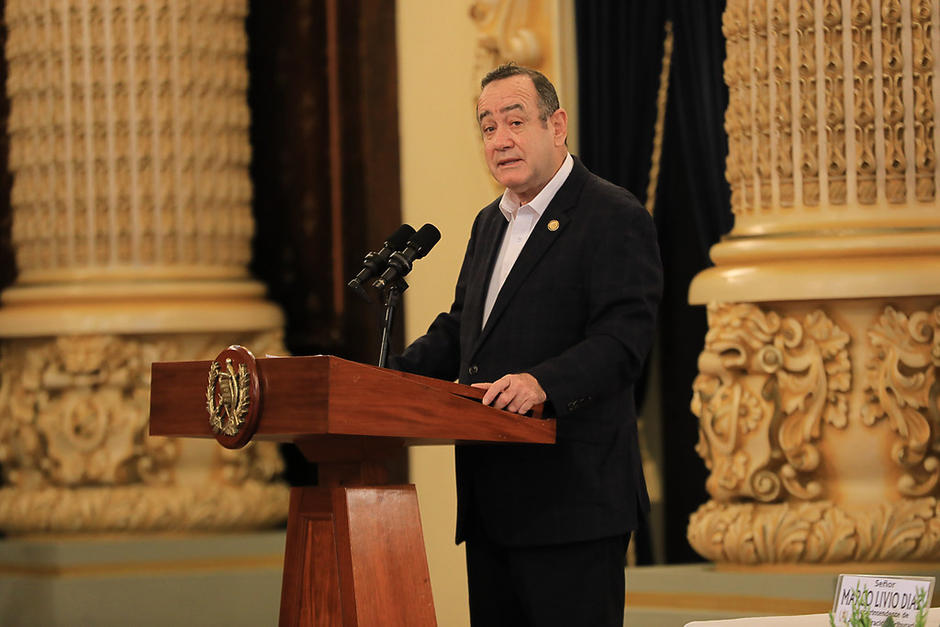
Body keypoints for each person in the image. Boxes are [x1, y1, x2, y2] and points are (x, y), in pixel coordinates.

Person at [390, 63, 663, 627]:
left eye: (515, 121)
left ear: (556, 126)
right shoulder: (489, 223)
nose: (500, 139)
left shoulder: (612, 215)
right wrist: (384, 379)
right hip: (492, 504)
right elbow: (463, 329)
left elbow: (623, 341)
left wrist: (543, 383)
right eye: (488, 127)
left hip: (573, 505)